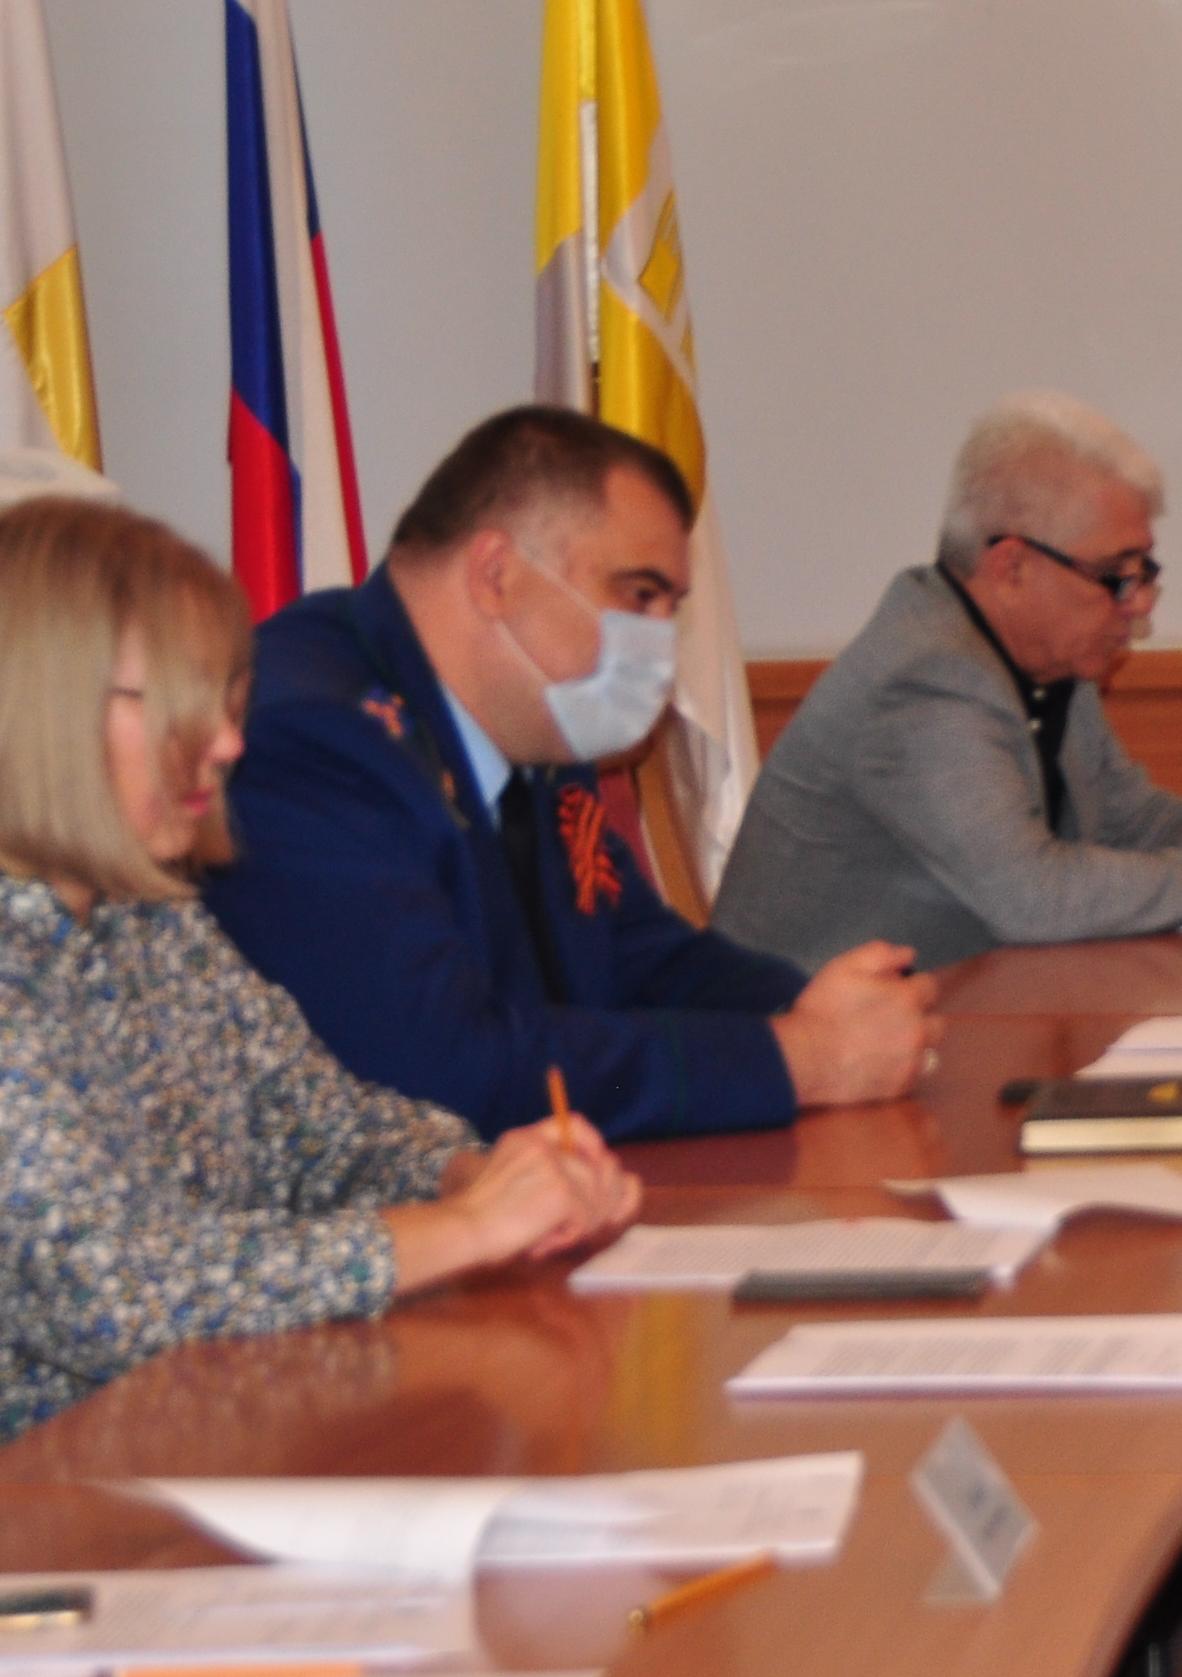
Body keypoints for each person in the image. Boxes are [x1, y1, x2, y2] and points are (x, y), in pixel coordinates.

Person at [0, 500, 642, 1475]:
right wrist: (466, 1230)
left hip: (170, 1461)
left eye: (229, 701)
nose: (230, 744)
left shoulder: (148, 915)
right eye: (184, 705)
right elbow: (117, 1297)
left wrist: (472, 1175)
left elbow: (322, 1132)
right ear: (38, 711)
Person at [201, 407, 938, 1139]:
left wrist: (826, 1013)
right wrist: (793, 1060)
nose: (657, 644)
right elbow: (443, 1069)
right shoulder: (307, 741)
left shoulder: (539, 719)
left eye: (670, 608)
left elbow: (637, 960)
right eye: (638, 596)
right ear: (496, 575)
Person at [711, 394, 1182, 970]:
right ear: (1012, 568)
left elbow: (1131, 822)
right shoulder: (924, 682)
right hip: (804, 1054)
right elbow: (1032, 897)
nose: (1140, 605)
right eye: (1116, 577)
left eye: (1144, 573)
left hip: (960, 1018)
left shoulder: (1046, 657)